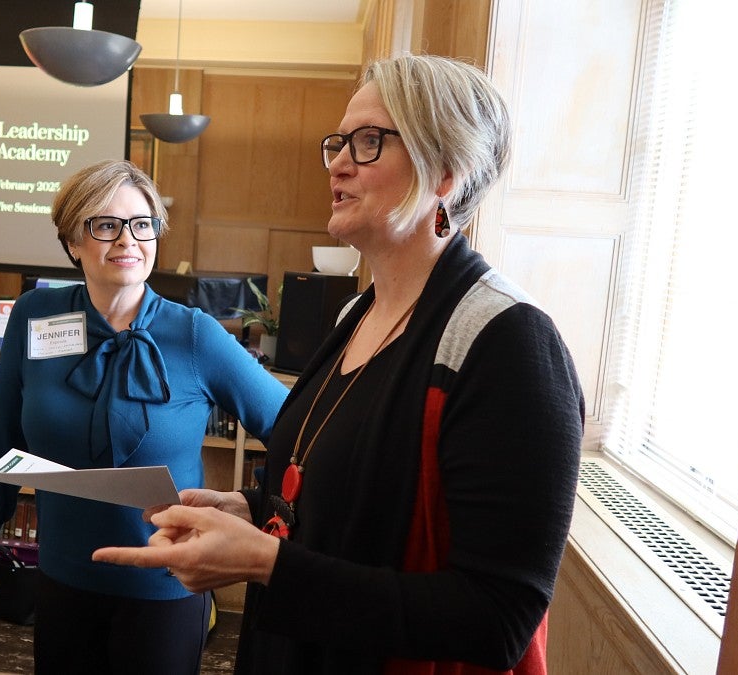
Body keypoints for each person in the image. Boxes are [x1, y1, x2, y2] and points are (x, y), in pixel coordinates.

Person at [93, 54, 585, 674]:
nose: (339, 163)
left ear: (445, 174)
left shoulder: (509, 344)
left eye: (370, 141)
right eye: (338, 142)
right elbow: (354, 499)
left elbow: (497, 618)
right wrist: (253, 510)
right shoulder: (358, 312)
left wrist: (264, 563)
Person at [0, 159, 288, 674]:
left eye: (141, 224)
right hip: (60, 582)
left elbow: (295, 430)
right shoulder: (36, 315)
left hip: (165, 591)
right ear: (73, 241)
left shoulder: (195, 335)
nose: (128, 240)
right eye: (106, 225)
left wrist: (255, 510)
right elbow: (1, 438)